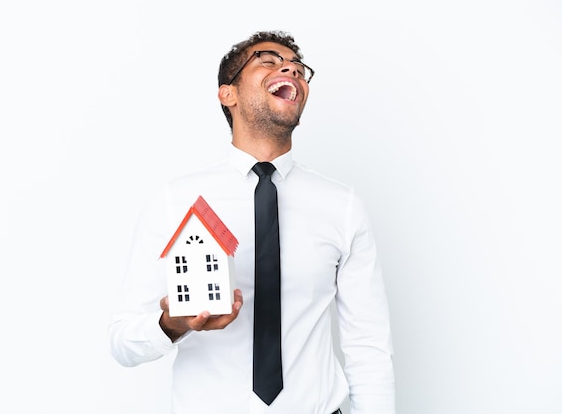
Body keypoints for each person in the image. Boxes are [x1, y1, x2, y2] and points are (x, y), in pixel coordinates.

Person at [109, 30, 395, 414]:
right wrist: (173, 324)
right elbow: (123, 341)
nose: (291, 68)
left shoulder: (342, 205)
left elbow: (368, 344)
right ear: (229, 94)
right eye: (269, 61)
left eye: (298, 66)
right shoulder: (174, 201)